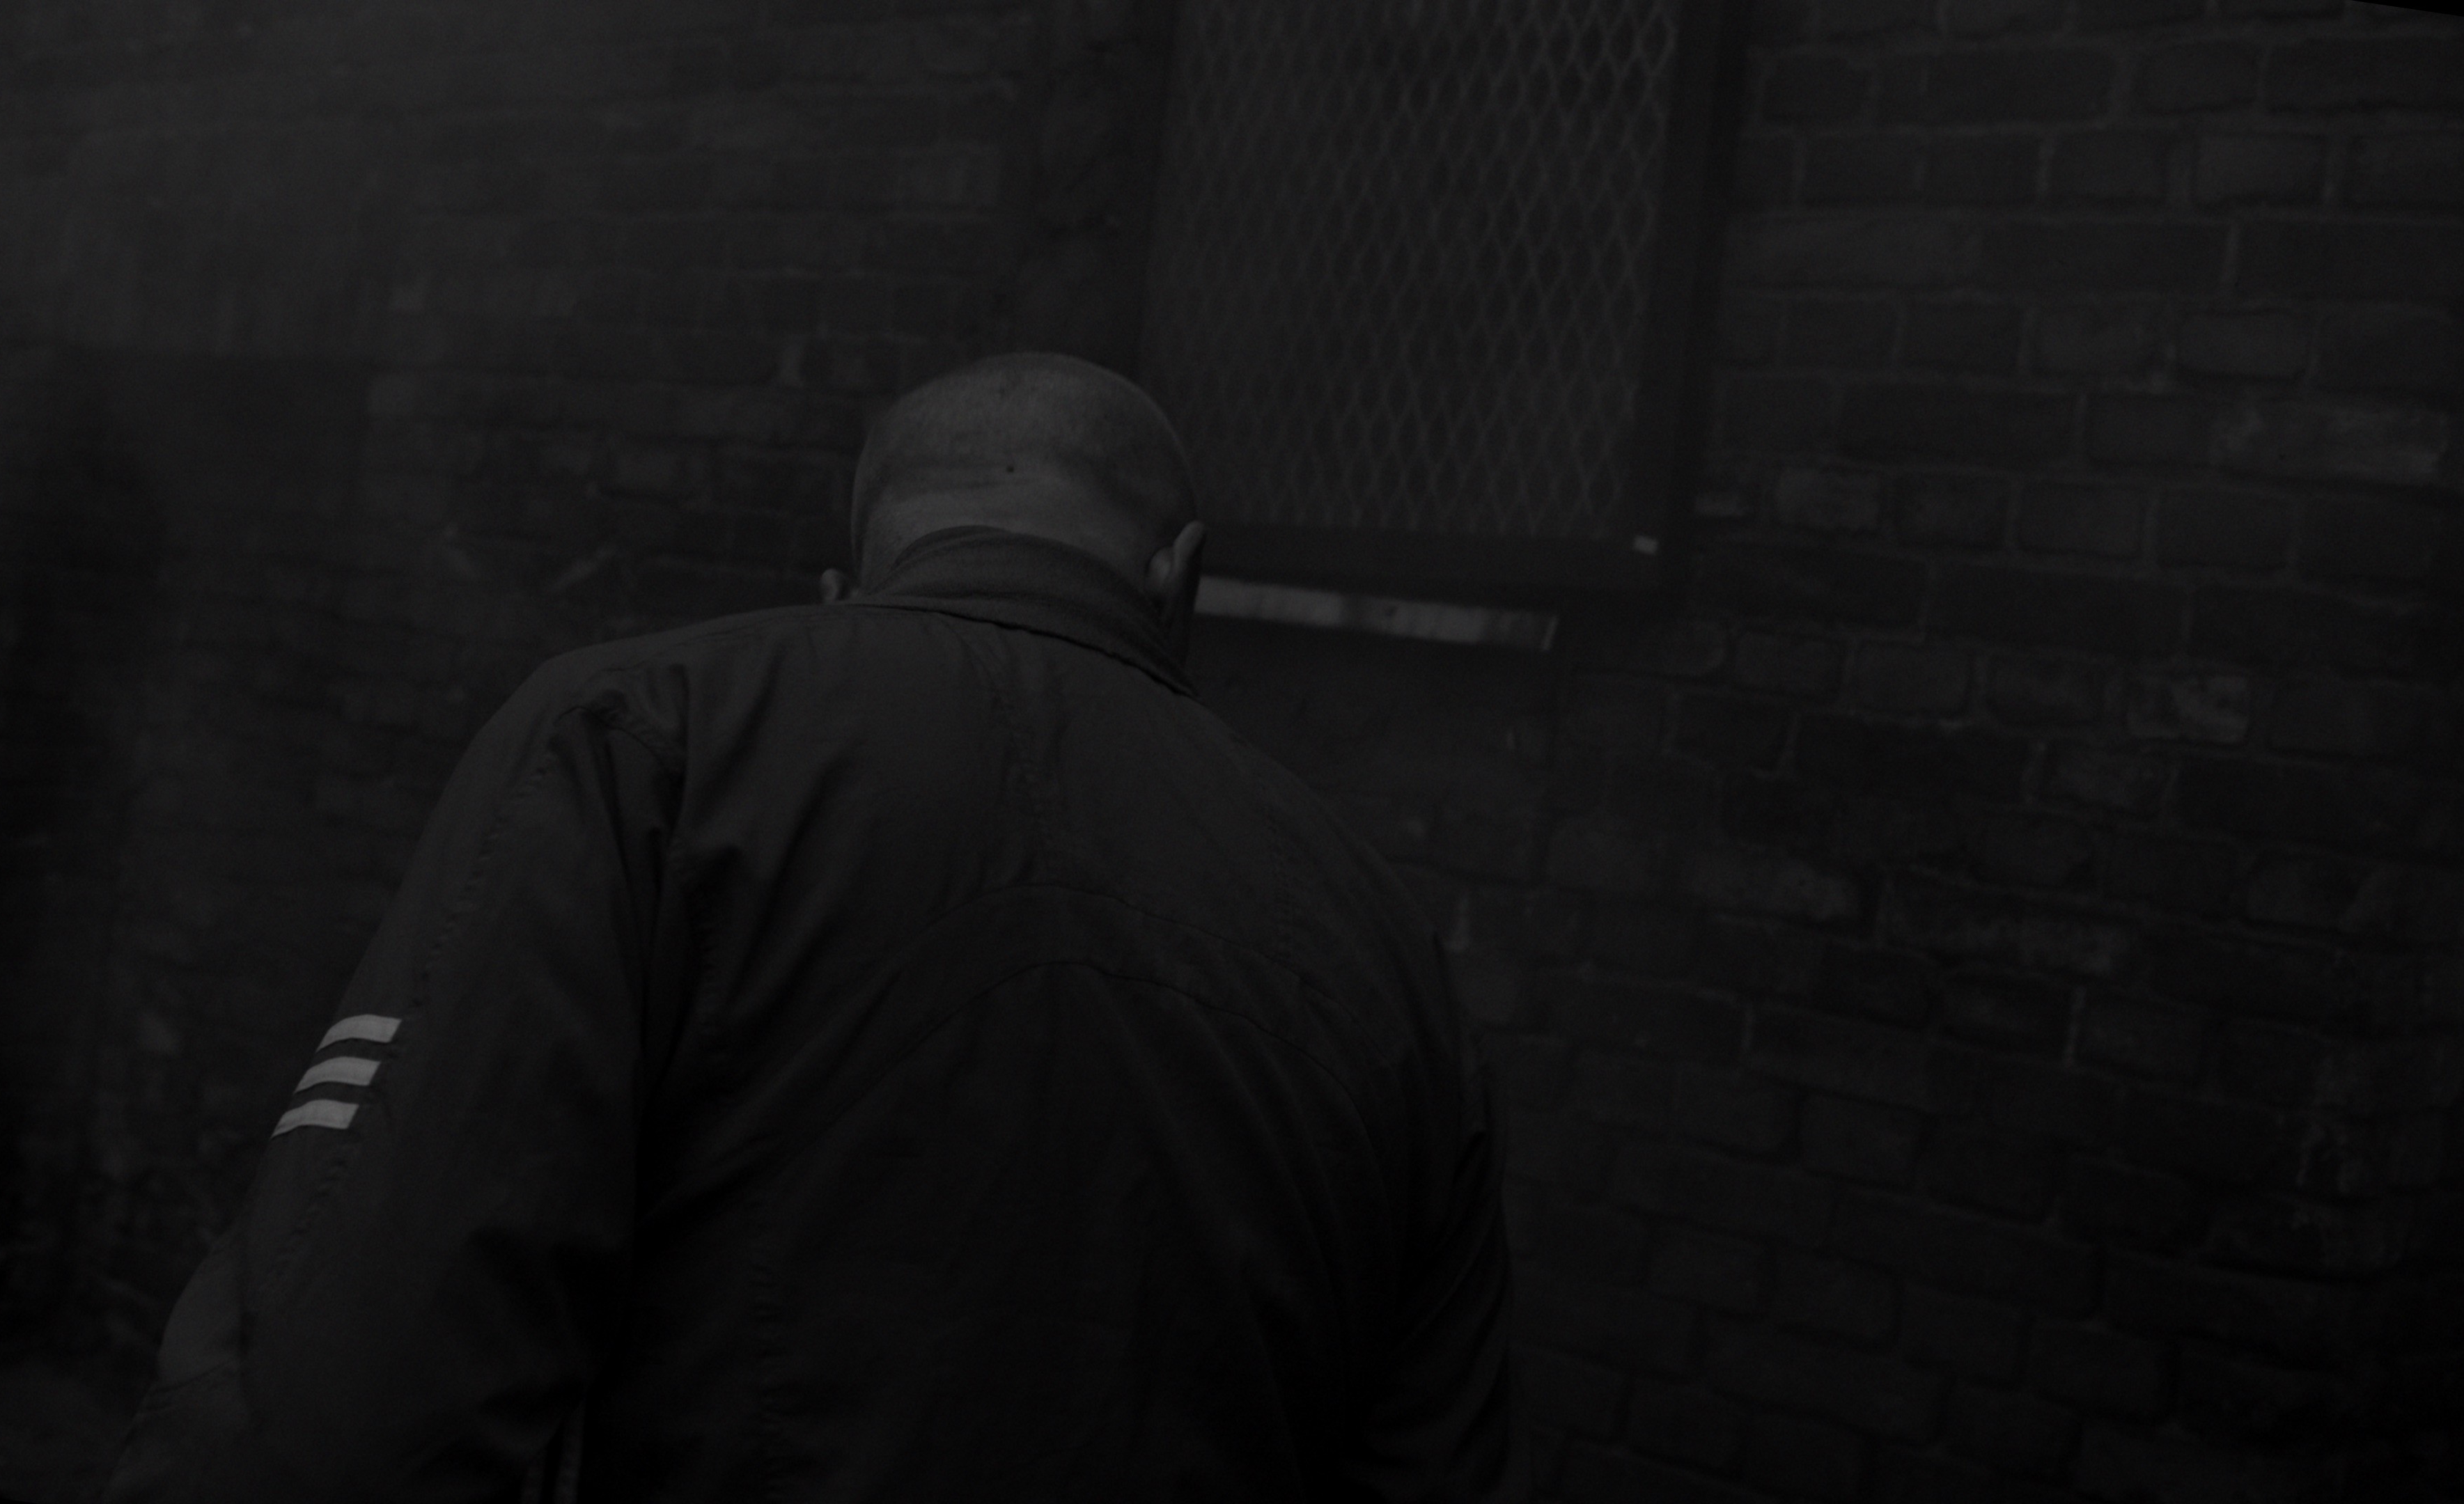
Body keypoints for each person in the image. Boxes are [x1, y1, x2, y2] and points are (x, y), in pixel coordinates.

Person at [99, 352, 1522, 1503]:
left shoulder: (645, 739)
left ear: (859, 563)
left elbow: (343, 1408)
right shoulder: (1388, 945)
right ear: (1182, 570)